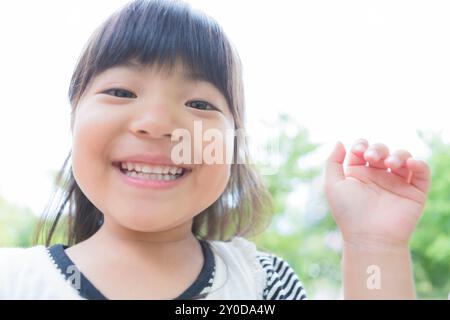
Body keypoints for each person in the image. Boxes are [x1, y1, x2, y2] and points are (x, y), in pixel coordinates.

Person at [0, 0, 430, 300]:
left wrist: (375, 248)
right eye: (120, 90)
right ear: (73, 120)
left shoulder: (262, 285)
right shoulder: (13, 282)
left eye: (200, 104)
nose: (157, 123)